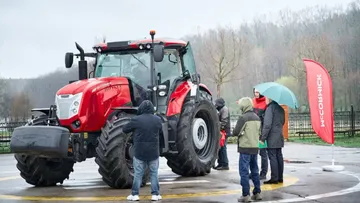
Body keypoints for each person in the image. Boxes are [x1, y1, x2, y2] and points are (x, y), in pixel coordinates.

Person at [123, 100, 163, 201]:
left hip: (139, 152)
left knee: (138, 174)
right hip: (153, 152)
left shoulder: (136, 120)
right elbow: (161, 133)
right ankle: (155, 194)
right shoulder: (157, 120)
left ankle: (135, 194)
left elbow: (124, 129)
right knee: (154, 174)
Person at [232, 97, 262, 202]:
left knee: (244, 172)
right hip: (254, 147)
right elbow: (260, 132)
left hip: (245, 148)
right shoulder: (257, 117)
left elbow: (236, 132)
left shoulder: (243, 118)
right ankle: (257, 193)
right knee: (255, 170)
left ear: (243, 106)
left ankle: (246, 195)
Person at [260, 97, 285, 184]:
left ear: (270, 99)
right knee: (279, 156)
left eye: (266, 98)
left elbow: (267, 125)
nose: (265, 99)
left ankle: (274, 178)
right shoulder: (281, 109)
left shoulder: (270, 108)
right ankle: (280, 177)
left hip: (272, 136)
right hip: (279, 135)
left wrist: (263, 138)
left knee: (272, 156)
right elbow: (283, 122)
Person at [251, 88, 268, 180]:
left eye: (257, 92)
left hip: (261, 132)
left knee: (263, 153)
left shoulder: (266, 102)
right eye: (255, 92)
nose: (256, 94)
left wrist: (263, 134)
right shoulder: (252, 101)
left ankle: (263, 173)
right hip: (253, 131)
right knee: (253, 153)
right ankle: (254, 172)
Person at [214, 97, 230, 170]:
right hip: (221, 131)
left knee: (223, 148)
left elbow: (224, 121)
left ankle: (225, 164)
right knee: (220, 148)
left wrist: (218, 127)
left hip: (224, 131)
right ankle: (220, 163)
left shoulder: (225, 109)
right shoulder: (221, 109)